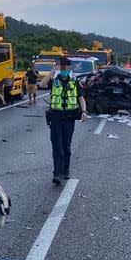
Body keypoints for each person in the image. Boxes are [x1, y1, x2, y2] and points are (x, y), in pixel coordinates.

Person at [43, 57, 87, 185]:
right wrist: (52, 71)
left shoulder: (75, 82)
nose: (62, 70)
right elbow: (42, 84)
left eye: (64, 67)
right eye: (60, 67)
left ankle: (65, 169)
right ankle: (57, 174)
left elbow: (81, 98)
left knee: (66, 145)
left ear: (69, 68)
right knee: (57, 146)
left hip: (69, 117)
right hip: (56, 117)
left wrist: (84, 111)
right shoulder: (54, 81)